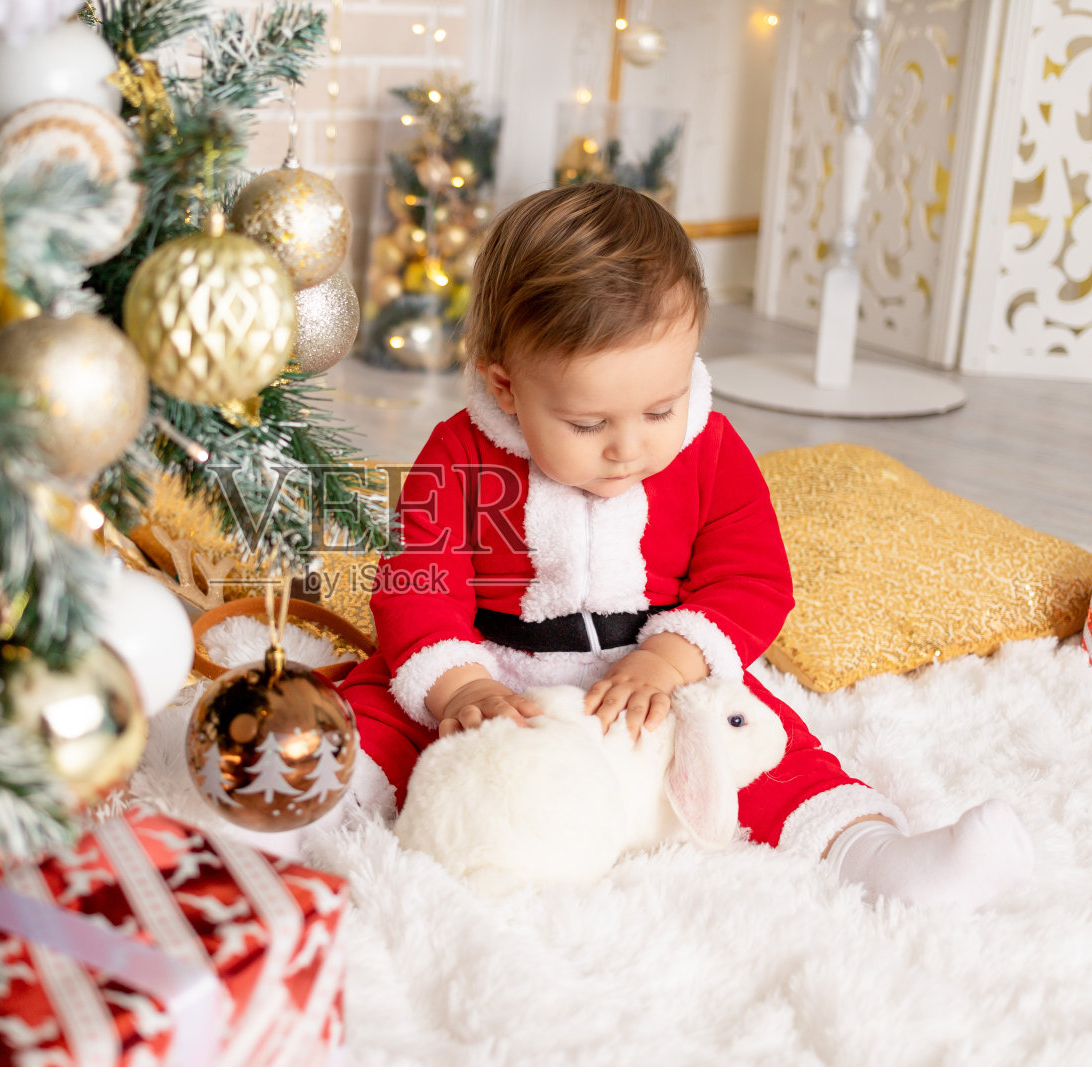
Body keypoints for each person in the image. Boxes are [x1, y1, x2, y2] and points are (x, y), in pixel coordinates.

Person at [336, 182, 1034, 908]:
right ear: (507, 388)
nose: (629, 447)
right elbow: (416, 578)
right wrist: (463, 686)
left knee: (766, 741)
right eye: (587, 424)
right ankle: (296, 813)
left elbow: (751, 577)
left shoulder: (709, 449)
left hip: (662, 667)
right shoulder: (459, 453)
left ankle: (874, 851)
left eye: (659, 409)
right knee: (379, 715)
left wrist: (670, 659)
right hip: (501, 669)